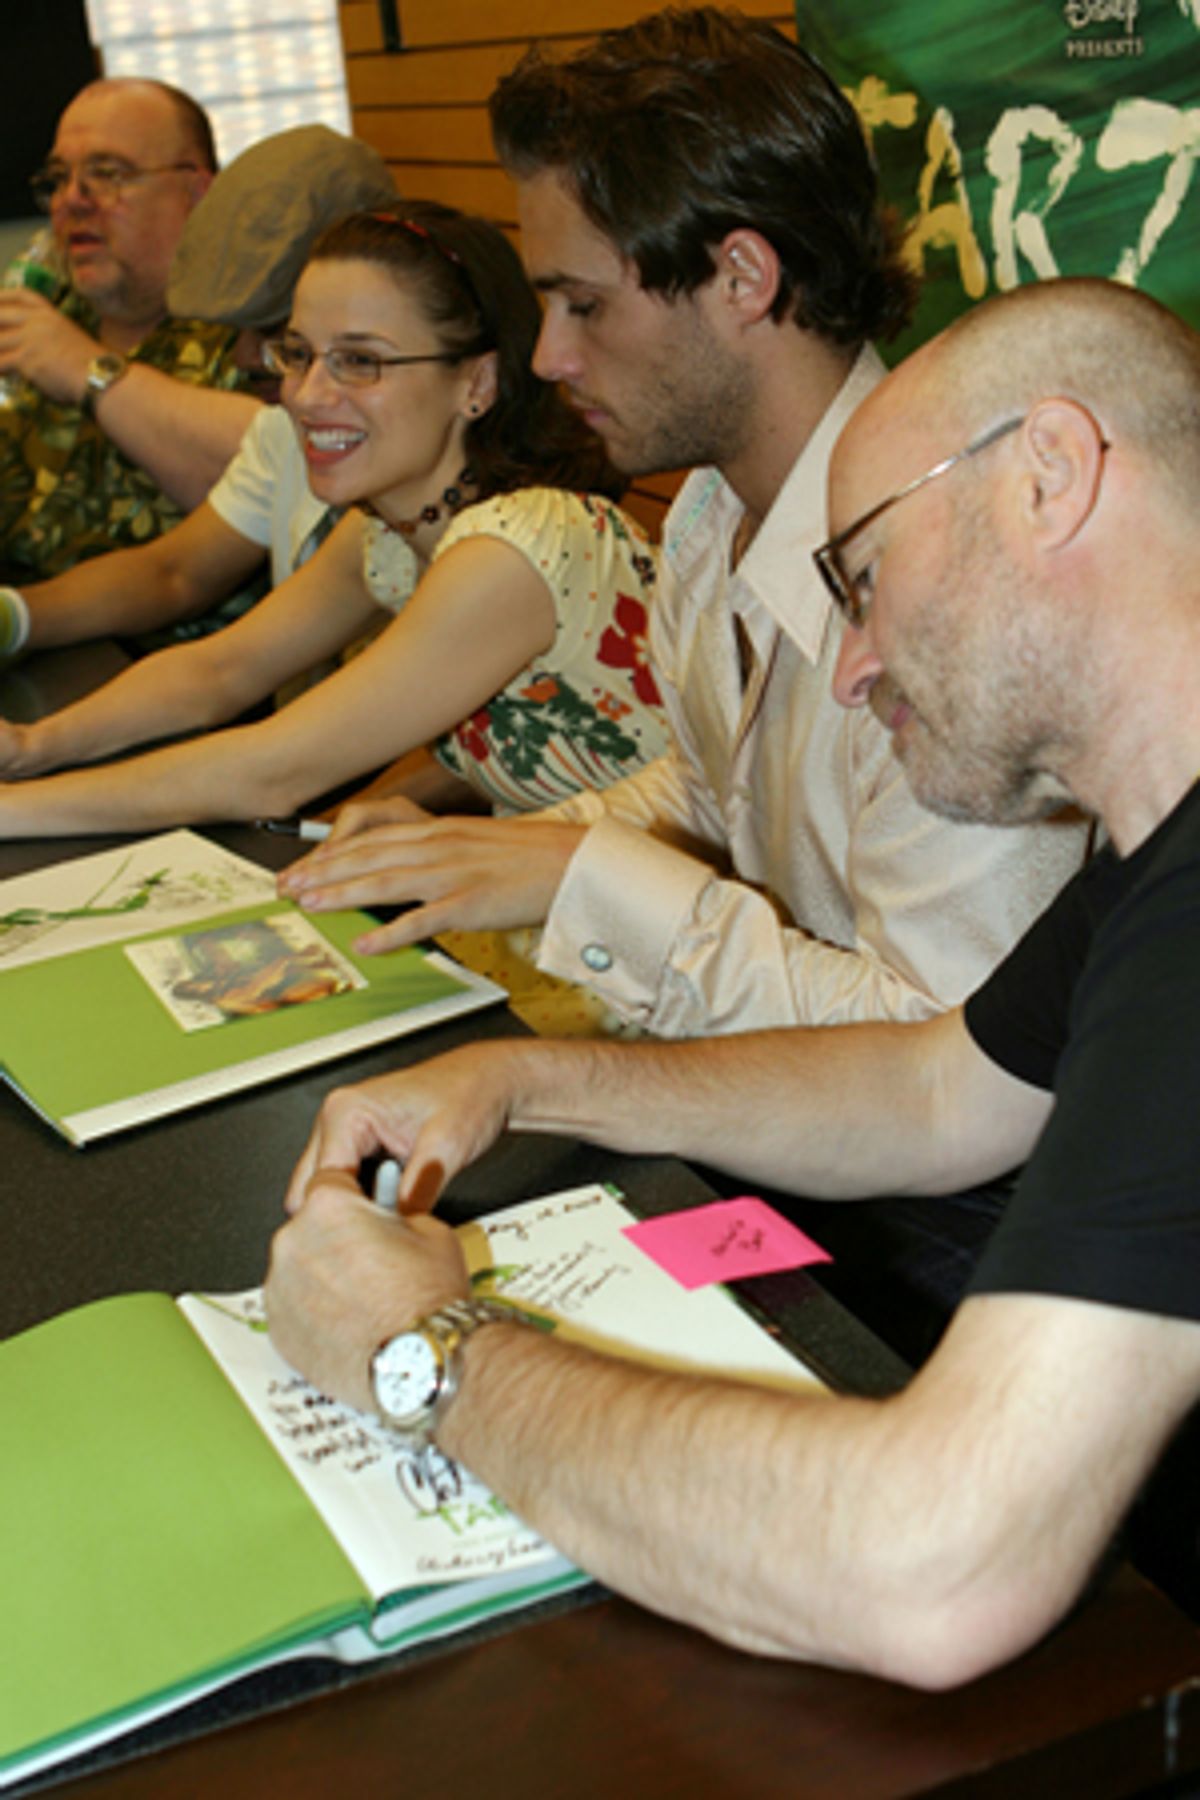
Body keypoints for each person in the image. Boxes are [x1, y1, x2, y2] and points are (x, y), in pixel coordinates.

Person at [265, 276, 1200, 1686]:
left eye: (868, 579)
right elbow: (943, 1086)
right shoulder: (1152, 853)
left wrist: (423, 1350)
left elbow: (935, 1562)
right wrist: (531, 1076)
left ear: (1050, 477)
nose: (853, 666)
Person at [279, 8, 1088, 1037]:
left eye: (585, 305)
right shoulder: (711, 511)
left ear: (743, 278)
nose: (548, 360)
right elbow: (716, 798)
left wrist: (586, 876)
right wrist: (508, 847)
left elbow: (942, 1054)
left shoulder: (963, 594)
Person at [0, 203, 670, 835]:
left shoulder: (518, 547)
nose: (307, 395)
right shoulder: (387, 529)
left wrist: (11, 811)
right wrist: (32, 746)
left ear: (477, 384)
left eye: (360, 361)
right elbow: (218, 672)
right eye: (298, 354)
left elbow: (270, 771)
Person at [0, 122, 398, 656]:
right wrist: (15, 619)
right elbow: (174, 573)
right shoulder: (284, 427)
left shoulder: (421, 483)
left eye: (282, 337)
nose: (243, 357)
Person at [0, 78, 258, 594]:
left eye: (108, 174)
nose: (71, 201)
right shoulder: (47, 304)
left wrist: (86, 371)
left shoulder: (257, 322)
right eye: (58, 178)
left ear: (197, 192)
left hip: (166, 655)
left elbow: (280, 472)